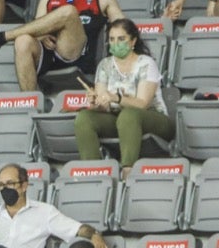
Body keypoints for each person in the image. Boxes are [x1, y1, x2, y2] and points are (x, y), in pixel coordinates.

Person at [73, 18, 173, 170]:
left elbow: (142, 104)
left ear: (133, 41)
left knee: (129, 115)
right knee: (84, 118)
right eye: (112, 39)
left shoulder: (146, 63)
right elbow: (104, 105)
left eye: (121, 39)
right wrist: (95, 103)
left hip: (154, 118)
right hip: (120, 120)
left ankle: (128, 171)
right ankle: (93, 172)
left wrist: (116, 97)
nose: (115, 43)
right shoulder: (105, 65)